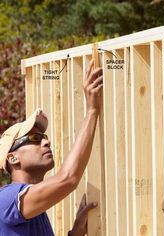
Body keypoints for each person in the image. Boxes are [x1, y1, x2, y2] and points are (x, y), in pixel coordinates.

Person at [0, 59, 103, 236]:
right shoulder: (6, 200)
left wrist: (75, 233)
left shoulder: (35, 212)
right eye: (34, 138)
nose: (46, 143)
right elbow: (67, 179)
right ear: (13, 158)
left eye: (44, 138)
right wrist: (92, 111)